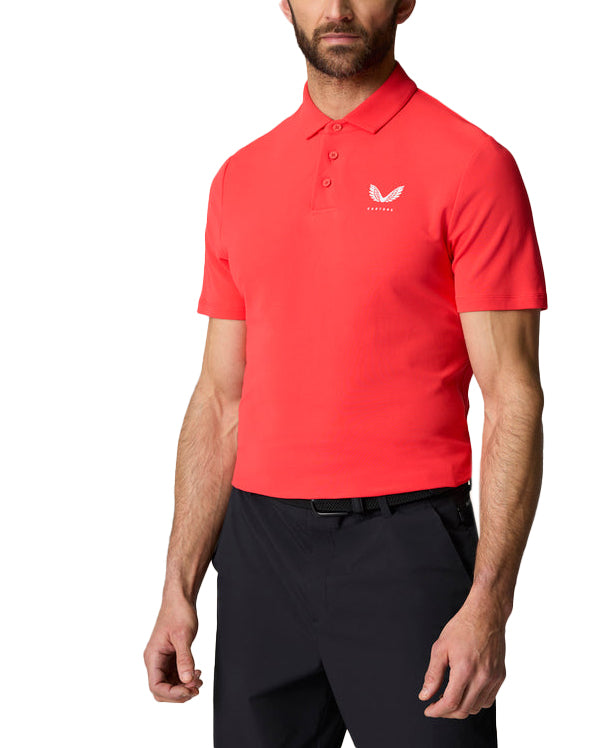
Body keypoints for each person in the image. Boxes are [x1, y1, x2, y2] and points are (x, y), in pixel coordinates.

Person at [143, 1, 548, 745]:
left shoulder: (472, 164)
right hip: (259, 553)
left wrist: (490, 602)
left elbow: (513, 396)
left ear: (404, 1)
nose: (335, 9)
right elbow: (220, 401)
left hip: (405, 548)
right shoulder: (239, 178)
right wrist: (178, 587)